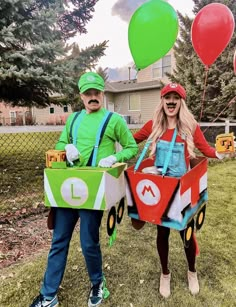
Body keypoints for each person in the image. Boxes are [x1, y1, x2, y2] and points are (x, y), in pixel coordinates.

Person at [30, 72, 138, 307]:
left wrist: (114, 157)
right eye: (88, 93)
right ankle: (48, 295)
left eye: (96, 92)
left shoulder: (114, 120)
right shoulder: (73, 120)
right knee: (59, 240)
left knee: (89, 242)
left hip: (94, 192)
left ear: (103, 93)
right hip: (68, 189)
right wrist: (66, 146)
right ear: (81, 96)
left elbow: (131, 147)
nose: (92, 97)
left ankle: (98, 283)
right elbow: (59, 144)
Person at [133, 83, 227, 298]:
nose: (171, 101)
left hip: (183, 191)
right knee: (162, 233)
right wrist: (113, 140)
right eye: (168, 97)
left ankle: (191, 271)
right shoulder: (153, 126)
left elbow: (206, 149)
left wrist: (221, 153)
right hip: (161, 190)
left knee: (186, 232)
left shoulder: (189, 127)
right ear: (162, 101)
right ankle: (165, 274)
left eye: (176, 97)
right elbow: (130, 141)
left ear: (181, 102)